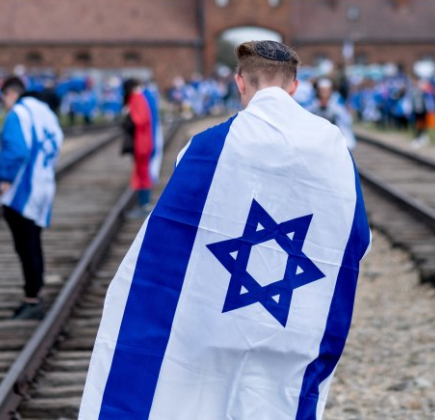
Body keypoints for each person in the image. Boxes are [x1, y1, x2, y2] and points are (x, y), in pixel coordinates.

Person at [80, 40, 371, 419]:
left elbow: (169, 237)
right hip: (293, 315)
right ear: (295, 86)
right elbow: (355, 235)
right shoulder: (332, 149)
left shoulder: (205, 148)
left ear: (239, 83)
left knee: (206, 398)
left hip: (212, 313)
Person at [0, 76, 64, 320]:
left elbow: (16, 149)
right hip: (43, 184)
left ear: (11, 94)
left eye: (3, 98)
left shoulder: (19, 113)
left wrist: (4, 178)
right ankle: (35, 293)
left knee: (25, 246)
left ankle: (32, 298)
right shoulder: (46, 112)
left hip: (22, 189)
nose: (4, 104)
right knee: (33, 243)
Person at [121, 79, 154, 218]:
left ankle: (144, 205)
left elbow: (140, 119)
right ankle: (143, 204)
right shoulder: (141, 98)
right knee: (142, 173)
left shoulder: (136, 99)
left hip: (141, 143)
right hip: (143, 142)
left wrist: (129, 114)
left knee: (142, 174)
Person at [307, 78, 356, 149]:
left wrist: (331, 108)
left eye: (326, 90)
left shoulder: (337, 101)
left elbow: (346, 120)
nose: (323, 93)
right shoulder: (312, 102)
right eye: (321, 90)